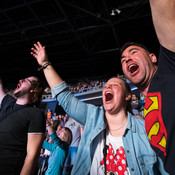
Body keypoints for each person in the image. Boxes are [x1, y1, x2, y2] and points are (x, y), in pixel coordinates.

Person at [31, 42, 168, 175]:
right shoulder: (92, 116)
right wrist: (45, 64)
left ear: (127, 96)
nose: (107, 87)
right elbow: (65, 98)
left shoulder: (145, 129)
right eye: (106, 86)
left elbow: (164, 170)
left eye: (115, 85)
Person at [120, 0, 175, 174]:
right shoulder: (147, 108)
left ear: (152, 57)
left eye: (134, 52)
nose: (127, 58)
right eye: (123, 60)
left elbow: (163, 6)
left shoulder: (169, 70)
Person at [0, 76, 46, 175]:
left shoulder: (35, 114)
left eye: (26, 81)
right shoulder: (8, 103)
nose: (20, 80)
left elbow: (32, 156)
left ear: (33, 90)